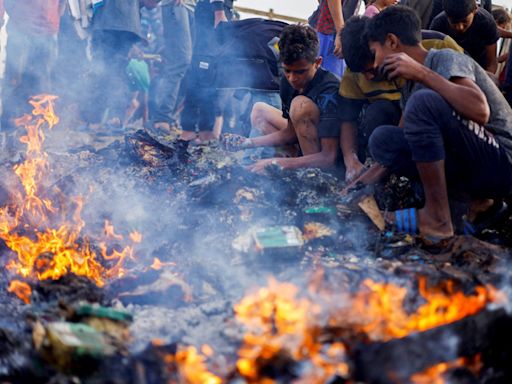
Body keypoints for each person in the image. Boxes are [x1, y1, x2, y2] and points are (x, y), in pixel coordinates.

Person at [352, 6, 512, 239]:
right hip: (476, 166)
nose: (375, 64)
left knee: (423, 102)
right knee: (384, 140)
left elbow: (480, 111)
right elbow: (406, 138)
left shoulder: (444, 58)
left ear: (392, 41)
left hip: (503, 159)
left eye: (375, 53)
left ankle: (437, 217)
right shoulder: (409, 87)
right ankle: (469, 207)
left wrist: (424, 74)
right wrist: (361, 183)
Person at [339, 15, 463, 181]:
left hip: (441, 128)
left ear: (384, 44)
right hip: (397, 123)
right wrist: (351, 161)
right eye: (363, 73)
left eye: (373, 69)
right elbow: (348, 119)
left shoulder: (438, 47)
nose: (369, 77)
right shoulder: (355, 72)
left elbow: (474, 94)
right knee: (377, 113)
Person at [225, 24, 341, 173]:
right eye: (287, 70)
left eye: (300, 72)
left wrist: (278, 162)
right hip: (305, 147)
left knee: (300, 105)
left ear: (317, 63)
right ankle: (293, 168)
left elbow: (328, 157)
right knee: (260, 110)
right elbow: (290, 133)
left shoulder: (330, 90)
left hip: (331, 163)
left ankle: (312, 178)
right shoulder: (288, 82)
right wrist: (247, 142)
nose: (293, 78)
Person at [83, 0, 146, 132]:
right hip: (124, 22)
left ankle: (103, 121)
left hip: (109, 21)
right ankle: (113, 120)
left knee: (104, 71)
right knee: (112, 71)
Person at [1, 0, 64, 131]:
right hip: (22, 29)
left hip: (48, 31)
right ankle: (10, 122)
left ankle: (37, 122)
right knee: (14, 78)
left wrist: (54, 19)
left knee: (41, 80)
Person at [430, 0, 499, 73]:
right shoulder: (438, 25)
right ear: (446, 15)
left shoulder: (486, 23)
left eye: (465, 21)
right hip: (448, 66)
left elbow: (491, 63)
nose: (460, 27)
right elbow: (432, 60)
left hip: (479, 67)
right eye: (454, 22)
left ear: (475, 10)